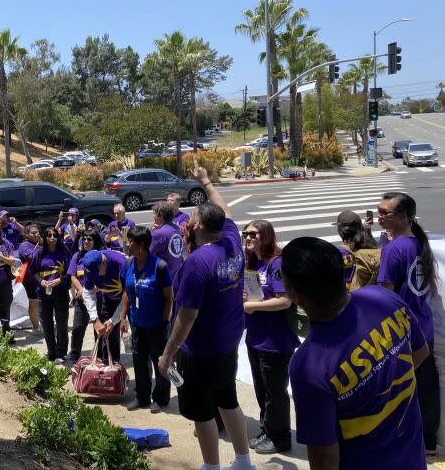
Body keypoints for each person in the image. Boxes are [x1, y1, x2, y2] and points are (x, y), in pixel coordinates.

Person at [284, 237, 428, 470]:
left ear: (296, 295)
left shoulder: (308, 366)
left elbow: (324, 459)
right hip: (412, 457)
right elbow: (420, 353)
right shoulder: (383, 299)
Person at [158, 160, 254, 470]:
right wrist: (206, 181)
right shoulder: (231, 241)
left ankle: (211, 466)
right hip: (228, 342)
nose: (188, 219)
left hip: (199, 351)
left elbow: (186, 317)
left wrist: (168, 354)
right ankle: (243, 462)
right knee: (228, 400)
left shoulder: (197, 263)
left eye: (193, 216)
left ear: (197, 226)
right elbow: (225, 211)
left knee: (202, 413)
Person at [377, 192, 440, 454]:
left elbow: (384, 296)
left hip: (401, 331)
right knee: (426, 386)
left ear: (402, 217)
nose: (378, 216)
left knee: (399, 390)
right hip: (423, 326)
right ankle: (428, 441)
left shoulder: (393, 250)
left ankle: (404, 439)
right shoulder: (418, 243)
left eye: (384, 213)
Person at [241, 220, 297, 454]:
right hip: (255, 337)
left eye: (253, 234)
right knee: (261, 390)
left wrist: (253, 305)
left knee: (275, 393)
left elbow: (285, 300)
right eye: (245, 233)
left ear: (266, 235)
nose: (248, 237)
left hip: (275, 341)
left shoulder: (277, 263)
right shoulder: (253, 262)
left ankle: (281, 438)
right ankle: (267, 429)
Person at [120, 225, 173, 413]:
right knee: (139, 360)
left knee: (158, 362)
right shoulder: (128, 264)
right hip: (137, 324)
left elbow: (169, 297)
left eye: (130, 242)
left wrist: (165, 322)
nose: (127, 244)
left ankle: (161, 398)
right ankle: (142, 396)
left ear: (141, 245)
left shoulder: (160, 266)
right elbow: (127, 291)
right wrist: (124, 316)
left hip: (157, 324)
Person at [29, 227, 70, 362]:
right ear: (45, 238)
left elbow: (70, 272)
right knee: (46, 323)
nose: (52, 238)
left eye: (55, 235)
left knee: (61, 323)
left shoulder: (64, 252)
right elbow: (33, 272)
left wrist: (59, 280)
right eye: (49, 235)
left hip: (61, 292)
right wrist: (41, 281)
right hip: (44, 293)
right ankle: (51, 352)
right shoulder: (39, 253)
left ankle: (61, 352)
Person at [81, 247, 127, 363]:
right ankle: (109, 369)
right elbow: (88, 293)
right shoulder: (90, 266)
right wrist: (95, 319)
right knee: (107, 334)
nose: (98, 277)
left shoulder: (121, 264)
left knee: (138, 339)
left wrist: (113, 321)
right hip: (109, 297)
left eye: (98, 273)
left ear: (103, 262)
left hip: (130, 299)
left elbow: (128, 297)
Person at [68, 229, 106, 363]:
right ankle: (74, 358)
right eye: (84, 239)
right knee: (78, 329)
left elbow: (104, 279)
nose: (86, 241)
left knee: (99, 330)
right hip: (81, 298)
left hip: (99, 298)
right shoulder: (77, 256)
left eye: (89, 239)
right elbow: (72, 275)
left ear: (95, 241)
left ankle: (100, 359)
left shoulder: (101, 257)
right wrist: (82, 290)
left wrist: (89, 292)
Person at [335, 210, 381, 289]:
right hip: (370, 293)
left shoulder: (337, 253)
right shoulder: (371, 246)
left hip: (348, 296)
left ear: (340, 231)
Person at [150, 201, 185, 280]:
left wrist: (152, 232)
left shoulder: (158, 233)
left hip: (165, 277)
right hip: (178, 273)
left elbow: (148, 255)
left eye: (154, 214)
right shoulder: (177, 228)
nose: (153, 217)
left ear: (160, 215)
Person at [18, 223, 42, 332]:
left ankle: (46, 324)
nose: (37, 234)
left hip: (44, 278)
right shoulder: (24, 245)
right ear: (27, 235)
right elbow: (32, 257)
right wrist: (41, 248)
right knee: (34, 303)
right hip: (31, 280)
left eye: (38, 232)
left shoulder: (41, 244)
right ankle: (36, 328)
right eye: (33, 233)